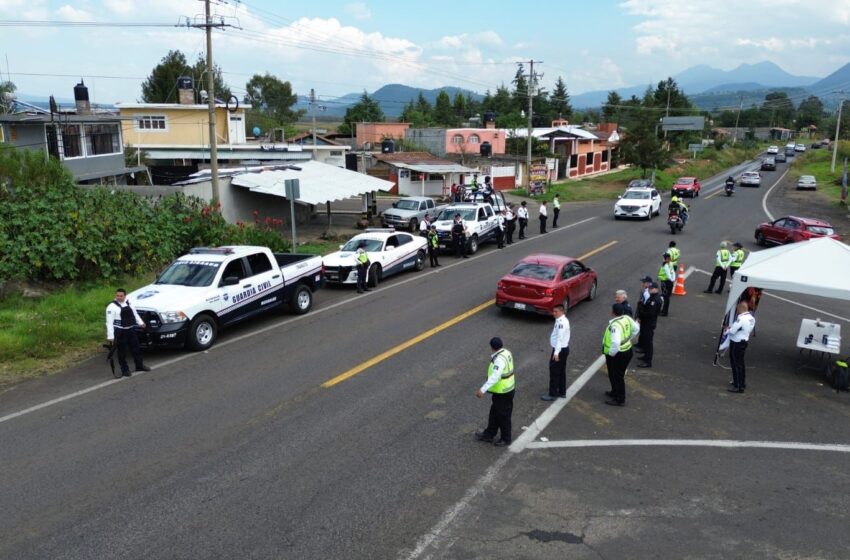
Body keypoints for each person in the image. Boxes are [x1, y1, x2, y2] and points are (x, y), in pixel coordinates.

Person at [475, 337, 515, 446]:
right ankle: (489, 434)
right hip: (505, 390)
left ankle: (506, 438)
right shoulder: (506, 352)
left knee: (503, 416)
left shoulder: (499, 360)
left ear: (492, 347)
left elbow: (495, 377)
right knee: (494, 413)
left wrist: (482, 390)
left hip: (503, 392)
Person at [105, 288, 150, 377]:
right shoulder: (111, 307)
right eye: (117, 295)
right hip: (120, 331)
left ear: (125, 296)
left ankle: (139, 366)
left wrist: (141, 323)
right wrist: (111, 336)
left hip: (131, 330)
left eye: (121, 296)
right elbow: (109, 322)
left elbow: (135, 314)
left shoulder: (129, 303)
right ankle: (125, 370)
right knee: (122, 352)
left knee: (136, 349)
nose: (119, 297)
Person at [603, 303, 639, 406]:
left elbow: (615, 342)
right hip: (627, 350)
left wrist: (611, 354)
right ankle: (615, 391)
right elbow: (636, 329)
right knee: (615, 374)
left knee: (617, 376)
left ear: (613, 312)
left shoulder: (615, 325)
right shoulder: (627, 318)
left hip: (619, 353)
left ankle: (620, 399)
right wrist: (628, 339)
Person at [542, 304, 570, 401]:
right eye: (553, 311)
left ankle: (552, 393)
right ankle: (562, 391)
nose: (553, 313)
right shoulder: (562, 320)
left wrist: (556, 353)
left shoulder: (561, 323)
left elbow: (559, 339)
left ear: (562, 311)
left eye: (556, 312)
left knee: (554, 371)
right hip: (563, 349)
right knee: (561, 371)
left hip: (560, 350)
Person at [725, 302, 755, 393]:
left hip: (736, 342)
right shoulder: (752, 318)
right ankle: (741, 382)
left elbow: (733, 331)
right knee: (741, 364)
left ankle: (738, 386)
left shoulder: (740, 319)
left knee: (736, 363)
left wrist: (727, 330)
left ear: (740, 309)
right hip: (744, 341)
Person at [636, 282, 663, 368]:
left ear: (656, 289)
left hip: (649, 323)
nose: (649, 289)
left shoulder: (655, 300)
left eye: (651, 288)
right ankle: (645, 357)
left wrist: (641, 310)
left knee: (648, 343)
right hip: (646, 322)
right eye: (649, 288)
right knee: (645, 339)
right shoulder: (653, 297)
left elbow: (650, 313)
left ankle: (648, 361)